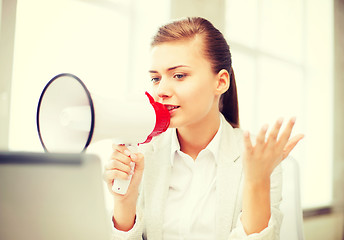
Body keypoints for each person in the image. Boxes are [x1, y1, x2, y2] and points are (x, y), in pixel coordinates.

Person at [103, 17, 304, 240]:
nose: (161, 90)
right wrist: (124, 202)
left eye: (179, 75)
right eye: (155, 78)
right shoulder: (142, 154)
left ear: (220, 82)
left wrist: (258, 181)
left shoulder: (258, 158)